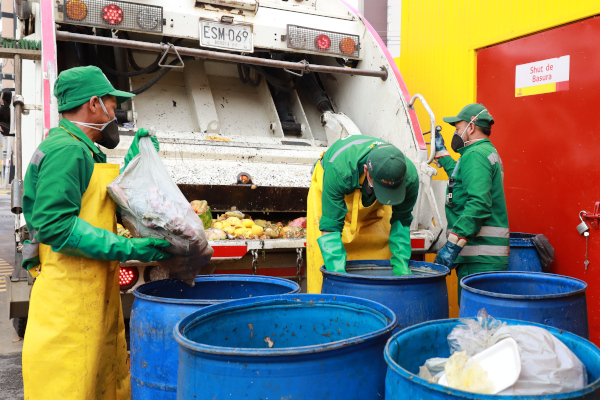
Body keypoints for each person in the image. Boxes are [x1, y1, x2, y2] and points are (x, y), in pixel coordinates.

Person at [21, 66, 172, 400]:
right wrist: (131, 248)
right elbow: (55, 226)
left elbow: (96, 206)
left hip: (87, 295)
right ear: (94, 104)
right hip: (70, 306)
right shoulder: (67, 151)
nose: (115, 112)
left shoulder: (81, 149)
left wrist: (135, 166)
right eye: (112, 104)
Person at [307, 135, 419, 293]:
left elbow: (401, 220)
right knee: (324, 267)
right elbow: (330, 227)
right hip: (336, 185)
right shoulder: (339, 170)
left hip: (370, 197)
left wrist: (401, 269)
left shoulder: (409, 177)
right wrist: (339, 280)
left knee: (381, 263)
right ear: (367, 171)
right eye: (383, 189)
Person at [433, 103, 509, 302]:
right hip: (484, 258)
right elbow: (460, 181)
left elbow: (479, 204)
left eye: (458, 129)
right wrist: (442, 154)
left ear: (471, 127)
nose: (456, 134)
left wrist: (452, 245)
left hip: (479, 258)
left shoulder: (475, 156)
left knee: (476, 325)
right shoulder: (481, 152)